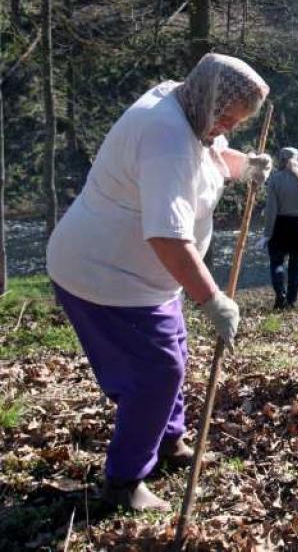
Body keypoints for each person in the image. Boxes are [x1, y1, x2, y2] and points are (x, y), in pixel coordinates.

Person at [45, 53, 273, 511]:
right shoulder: (165, 136)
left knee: (173, 357)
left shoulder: (189, 103)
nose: (226, 125)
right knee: (155, 374)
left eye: (237, 121)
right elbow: (168, 237)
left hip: (145, 281)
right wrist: (212, 300)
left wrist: (243, 164)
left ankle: (167, 440)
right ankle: (125, 481)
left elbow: (208, 153)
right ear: (209, 99)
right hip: (105, 277)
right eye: (226, 117)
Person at [260, 147, 298, 309]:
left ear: (280, 160)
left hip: (280, 227)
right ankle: (291, 302)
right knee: (295, 268)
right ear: (297, 160)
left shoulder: (274, 179)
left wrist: (267, 234)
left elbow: (271, 210)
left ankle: (280, 293)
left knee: (277, 264)